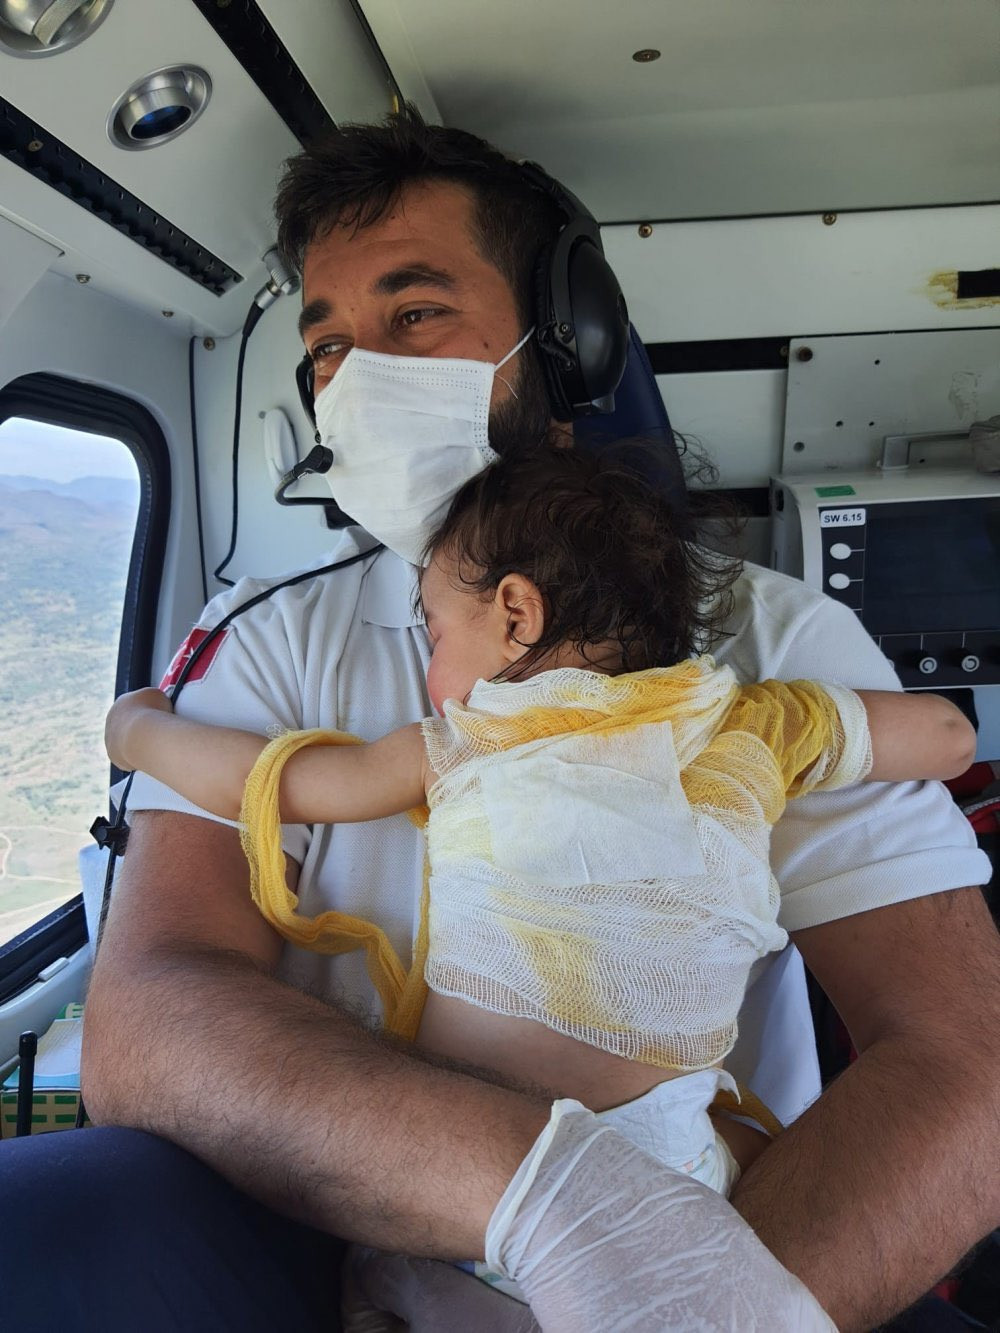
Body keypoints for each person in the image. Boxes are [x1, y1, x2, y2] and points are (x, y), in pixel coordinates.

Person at [2, 104, 996, 1333]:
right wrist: (552, 1200)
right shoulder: (269, 640)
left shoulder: (773, 645)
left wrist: (690, 1299)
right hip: (334, 1229)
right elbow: (152, 1013)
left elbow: (963, 1058)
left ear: (565, 346)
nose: (356, 378)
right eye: (327, 347)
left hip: (736, 1235)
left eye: (414, 315)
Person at [102, 441, 978, 1315]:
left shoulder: (472, 741)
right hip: (684, 1162)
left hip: (476, 1186)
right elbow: (949, 738)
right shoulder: (755, 722)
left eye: (437, 632)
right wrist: (840, 719)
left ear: (517, 613)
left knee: (385, 1291)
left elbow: (276, 781)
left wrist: (138, 729)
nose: (429, 664)